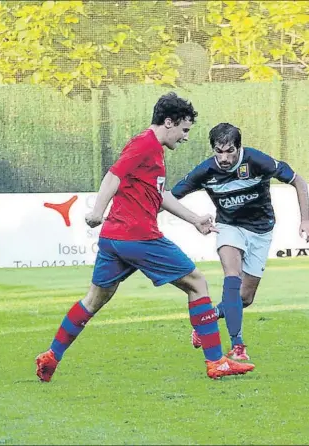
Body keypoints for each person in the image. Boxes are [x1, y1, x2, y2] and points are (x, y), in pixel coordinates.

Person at [36, 95, 255, 382]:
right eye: (185, 130)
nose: (186, 137)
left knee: (94, 300)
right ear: (169, 122)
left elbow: (160, 195)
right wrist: (97, 211)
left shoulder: (152, 149)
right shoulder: (145, 144)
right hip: (138, 236)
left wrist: (195, 219)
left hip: (114, 238)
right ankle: (216, 362)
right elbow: (113, 175)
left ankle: (51, 356)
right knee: (197, 283)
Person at [171, 122, 309, 360]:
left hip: (261, 231)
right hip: (229, 227)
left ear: (239, 148)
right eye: (219, 151)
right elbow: (168, 197)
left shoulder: (258, 161)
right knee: (232, 275)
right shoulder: (205, 171)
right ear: (213, 150)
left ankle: (205, 319)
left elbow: (298, 181)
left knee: (244, 298)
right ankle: (237, 346)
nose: (224, 157)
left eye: (229, 151)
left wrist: (306, 221)